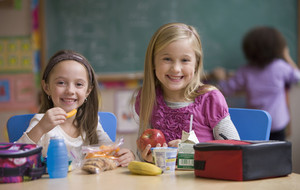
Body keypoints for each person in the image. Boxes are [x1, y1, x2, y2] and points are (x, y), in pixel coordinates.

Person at [133, 23, 240, 162]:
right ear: (153, 61)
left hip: (203, 180)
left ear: (196, 64)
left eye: (185, 60)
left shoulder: (209, 99)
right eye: (167, 59)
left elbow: (234, 149)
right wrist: (147, 157)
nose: (176, 69)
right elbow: (141, 151)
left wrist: (194, 150)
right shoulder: (148, 98)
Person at [17, 50, 135, 166]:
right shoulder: (41, 121)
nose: (70, 91)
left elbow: (111, 150)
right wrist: (40, 128)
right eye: (61, 83)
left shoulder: (91, 121)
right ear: (46, 87)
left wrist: (127, 155)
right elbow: (17, 155)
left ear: (88, 91)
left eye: (78, 84)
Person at [212, 26, 300, 141]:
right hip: (278, 123)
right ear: (277, 48)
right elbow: (297, 77)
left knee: (258, 155)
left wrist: (220, 78)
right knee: (278, 154)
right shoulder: (280, 67)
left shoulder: (246, 71)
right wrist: (286, 56)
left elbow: (226, 89)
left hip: (256, 123)